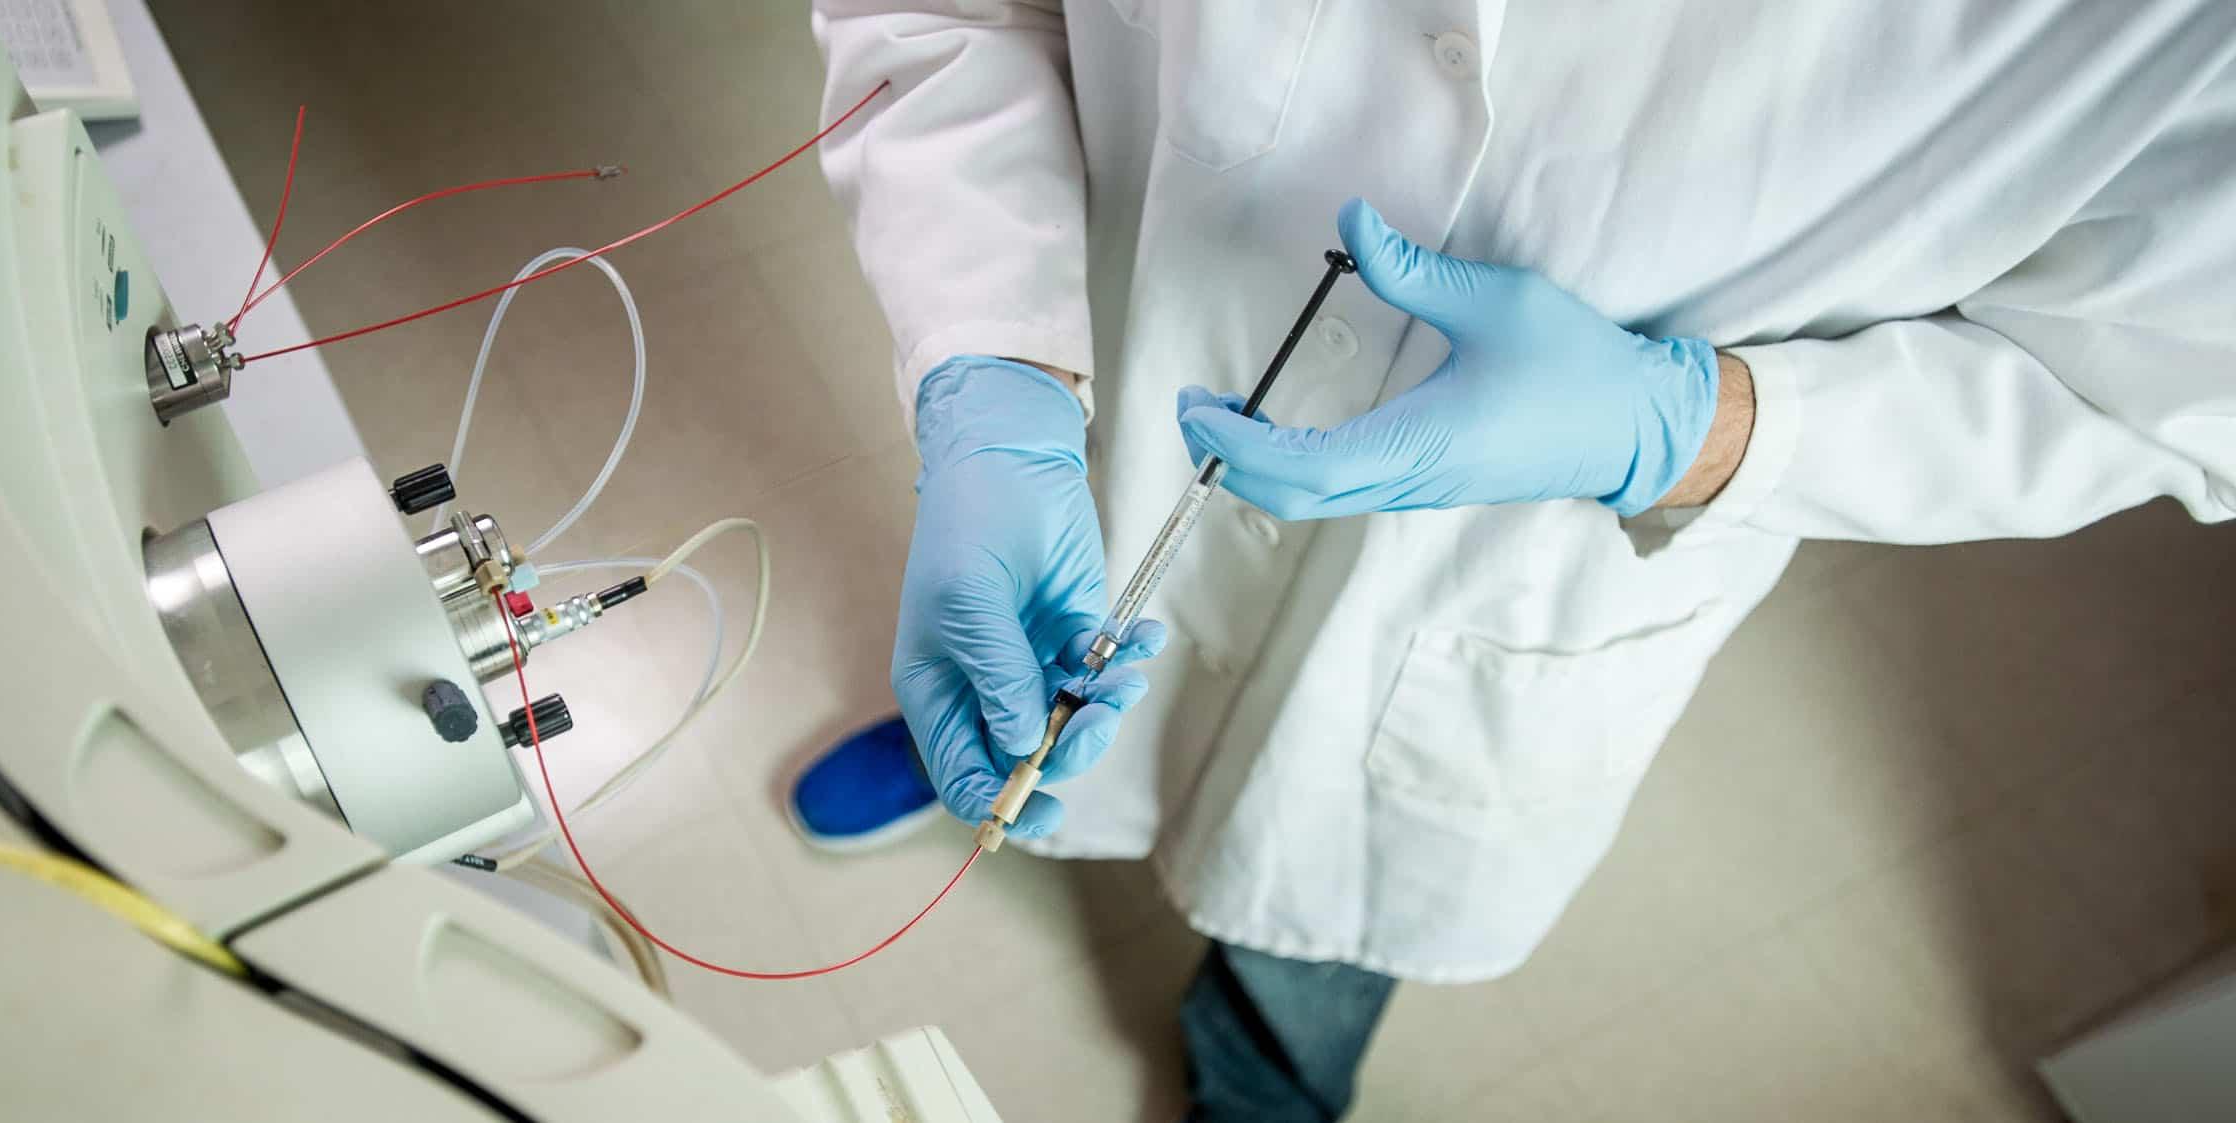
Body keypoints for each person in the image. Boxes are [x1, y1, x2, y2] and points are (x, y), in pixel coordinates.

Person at [788, 2, 2236, 1119]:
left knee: (1329, 889)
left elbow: (2173, 381)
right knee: (1030, 652)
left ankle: (1265, 1079)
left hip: (1524, 558)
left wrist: (1691, 427)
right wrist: (993, 378)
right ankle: (1007, 769)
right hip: (1121, 346)